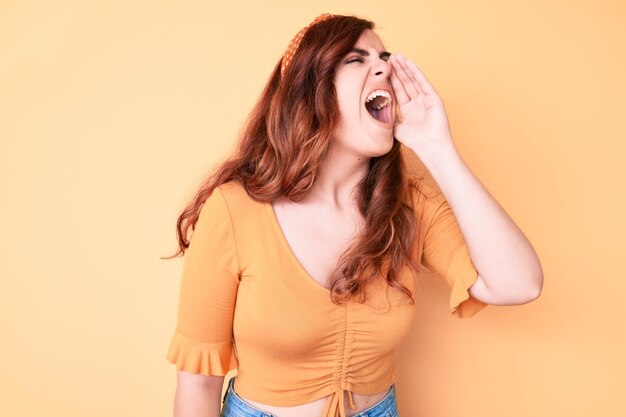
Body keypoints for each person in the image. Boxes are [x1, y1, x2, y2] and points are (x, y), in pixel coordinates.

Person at [163, 13, 543, 417]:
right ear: (309, 92)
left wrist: (438, 148)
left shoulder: (407, 203)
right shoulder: (235, 210)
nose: (384, 67)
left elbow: (518, 284)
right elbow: (198, 384)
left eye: (384, 57)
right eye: (356, 59)